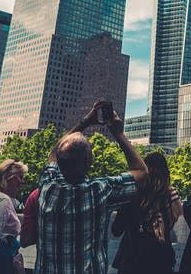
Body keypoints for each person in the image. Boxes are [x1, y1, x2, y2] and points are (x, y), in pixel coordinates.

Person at [34, 100, 147, 274]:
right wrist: (118, 134)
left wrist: (86, 121)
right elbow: (141, 172)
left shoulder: (47, 186)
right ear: (89, 162)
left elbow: (53, 154)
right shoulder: (99, 192)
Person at [112, 151, 182, 274]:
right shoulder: (171, 196)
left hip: (131, 261)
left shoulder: (132, 194)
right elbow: (174, 220)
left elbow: (116, 230)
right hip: (161, 261)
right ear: (166, 172)